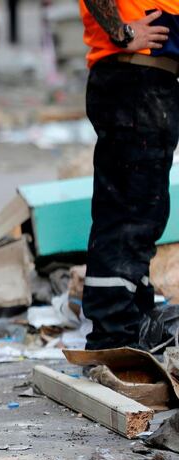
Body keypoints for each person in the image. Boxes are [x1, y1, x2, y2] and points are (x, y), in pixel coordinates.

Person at [80, 0, 177, 350]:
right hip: (135, 79)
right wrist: (123, 32)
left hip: (145, 81)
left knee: (138, 210)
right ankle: (114, 330)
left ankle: (131, 318)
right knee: (131, 213)